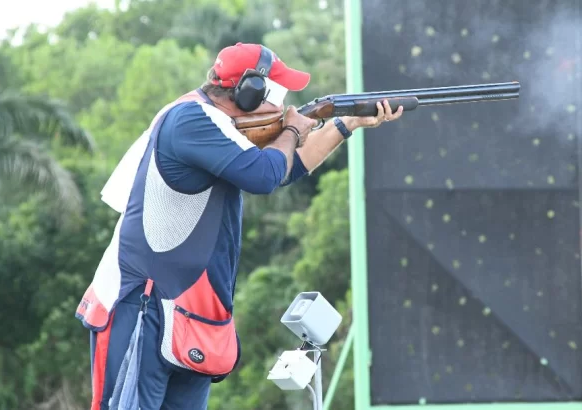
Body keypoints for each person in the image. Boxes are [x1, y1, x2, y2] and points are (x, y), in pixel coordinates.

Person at [74, 42, 403, 410]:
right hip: (143, 308)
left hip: (192, 316)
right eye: (274, 92)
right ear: (249, 93)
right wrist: (292, 130)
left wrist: (347, 123)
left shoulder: (220, 124)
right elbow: (264, 175)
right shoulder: (190, 119)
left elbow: (285, 169)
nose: (283, 105)